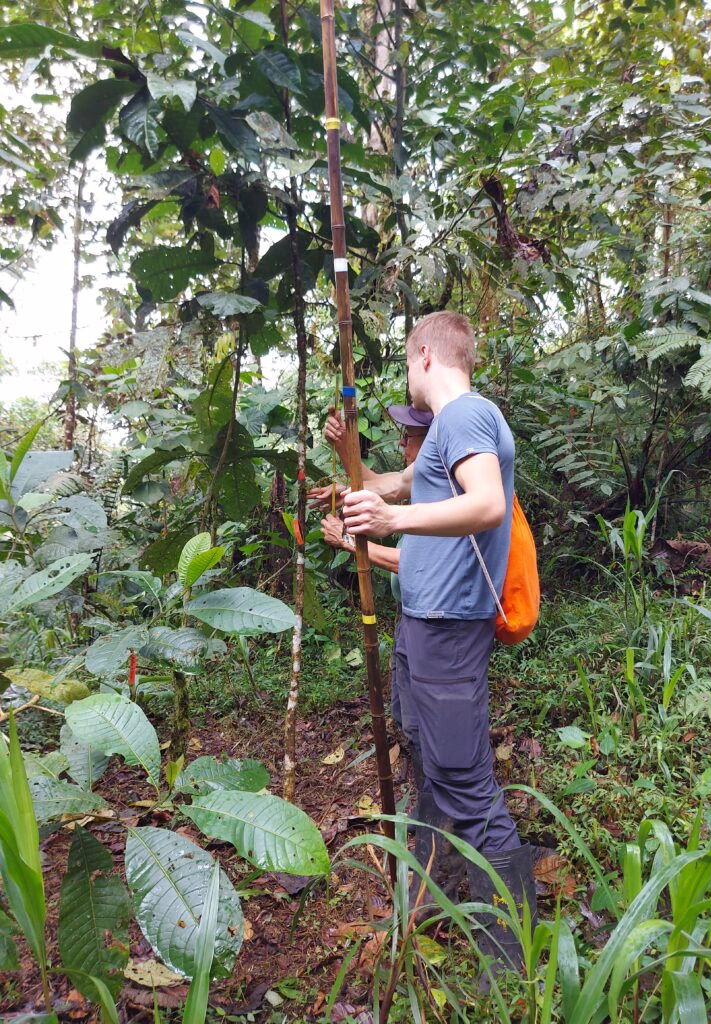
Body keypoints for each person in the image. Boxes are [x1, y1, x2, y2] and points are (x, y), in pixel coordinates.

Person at [339, 311, 537, 981]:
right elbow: (393, 485)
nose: (407, 376)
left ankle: (509, 956)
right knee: (431, 758)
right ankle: (439, 880)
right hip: (426, 626)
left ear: (425, 355)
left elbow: (485, 504)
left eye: (405, 364)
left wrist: (392, 517)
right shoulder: (448, 433)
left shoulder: (465, 416)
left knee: (467, 783)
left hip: (449, 630)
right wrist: (354, 476)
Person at [311, 404, 467, 905]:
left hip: (440, 629)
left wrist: (349, 541)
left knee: (439, 748)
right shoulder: (425, 478)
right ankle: (429, 816)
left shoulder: (454, 488)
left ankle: (443, 861)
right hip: (413, 623)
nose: (403, 445)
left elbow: (406, 559)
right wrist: (345, 453)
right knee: (411, 727)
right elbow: (381, 484)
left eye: (411, 437)